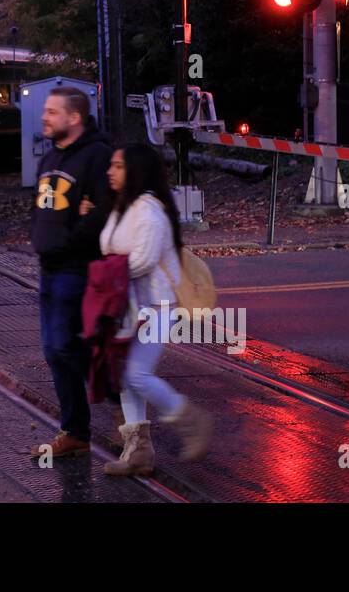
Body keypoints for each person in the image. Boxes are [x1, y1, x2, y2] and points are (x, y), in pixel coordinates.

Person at [89, 143, 212, 475]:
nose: (109, 171)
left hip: (157, 306)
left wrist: (106, 271)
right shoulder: (123, 207)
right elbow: (110, 248)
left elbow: (140, 260)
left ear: (135, 171)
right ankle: (138, 452)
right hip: (128, 306)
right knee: (126, 379)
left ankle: (190, 420)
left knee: (135, 374)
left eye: (117, 166)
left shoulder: (149, 210)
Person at [28, 86, 113, 460]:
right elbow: (43, 207)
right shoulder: (50, 158)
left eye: (51, 112)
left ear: (74, 117)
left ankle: (119, 391)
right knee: (54, 350)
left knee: (66, 347)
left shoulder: (98, 156)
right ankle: (76, 432)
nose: (43, 117)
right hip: (49, 267)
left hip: (77, 268)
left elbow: (102, 210)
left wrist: (70, 240)